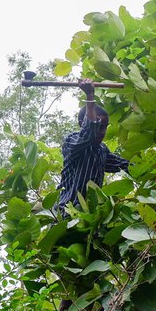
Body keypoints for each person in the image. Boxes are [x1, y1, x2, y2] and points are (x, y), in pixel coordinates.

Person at [57, 79, 129, 212]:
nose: (102, 132)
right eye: (99, 126)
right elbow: (88, 134)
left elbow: (125, 166)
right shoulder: (71, 142)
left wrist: (151, 172)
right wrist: (90, 96)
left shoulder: (102, 151)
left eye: (104, 127)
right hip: (67, 212)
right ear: (82, 122)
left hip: (90, 217)